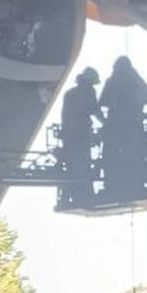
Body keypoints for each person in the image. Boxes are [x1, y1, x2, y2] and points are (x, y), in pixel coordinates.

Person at [99, 55, 147, 201]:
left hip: (115, 127)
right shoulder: (136, 80)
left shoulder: (112, 81)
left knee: (111, 157)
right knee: (133, 155)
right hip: (132, 127)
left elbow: (102, 101)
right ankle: (133, 184)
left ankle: (112, 186)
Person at [59, 67, 102, 205]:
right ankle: (85, 195)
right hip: (81, 135)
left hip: (69, 135)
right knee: (83, 165)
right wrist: (108, 124)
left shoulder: (69, 93)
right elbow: (94, 110)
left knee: (71, 166)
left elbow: (65, 116)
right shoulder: (89, 92)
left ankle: (67, 197)